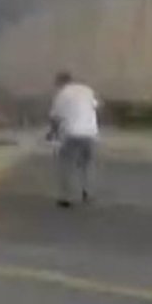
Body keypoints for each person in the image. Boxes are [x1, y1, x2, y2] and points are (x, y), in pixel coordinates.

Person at [47, 71, 100, 208]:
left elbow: (55, 118)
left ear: (60, 82)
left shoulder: (61, 94)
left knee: (66, 164)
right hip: (90, 133)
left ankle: (66, 198)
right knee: (87, 164)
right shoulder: (86, 90)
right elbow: (95, 106)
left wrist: (52, 133)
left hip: (72, 133)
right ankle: (87, 193)